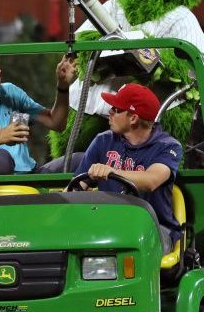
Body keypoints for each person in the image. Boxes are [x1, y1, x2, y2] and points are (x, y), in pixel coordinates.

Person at [72, 83, 182, 254]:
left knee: (126, 244)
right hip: (107, 226)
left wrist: (111, 171)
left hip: (154, 228)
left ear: (133, 118)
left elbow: (152, 180)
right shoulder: (103, 141)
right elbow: (76, 187)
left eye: (116, 109)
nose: (110, 112)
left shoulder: (168, 146)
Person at [0, 53, 76, 174]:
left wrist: (63, 85)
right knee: (0, 159)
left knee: (79, 160)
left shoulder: (9, 92)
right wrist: (0, 137)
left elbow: (56, 123)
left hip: (29, 173)